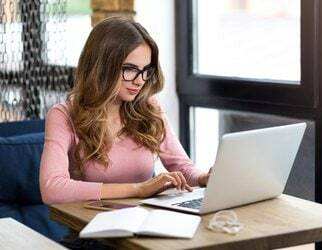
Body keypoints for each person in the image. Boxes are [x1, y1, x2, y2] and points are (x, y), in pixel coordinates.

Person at [39, 16, 210, 204]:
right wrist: (138, 189)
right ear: (102, 67)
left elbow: (182, 166)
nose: (140, 80)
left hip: (144, 223)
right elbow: (52, 188)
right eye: (130, 69)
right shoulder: (63, 115)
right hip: (90, 227)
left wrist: (204, 177)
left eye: (146, 70)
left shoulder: (148, 108)